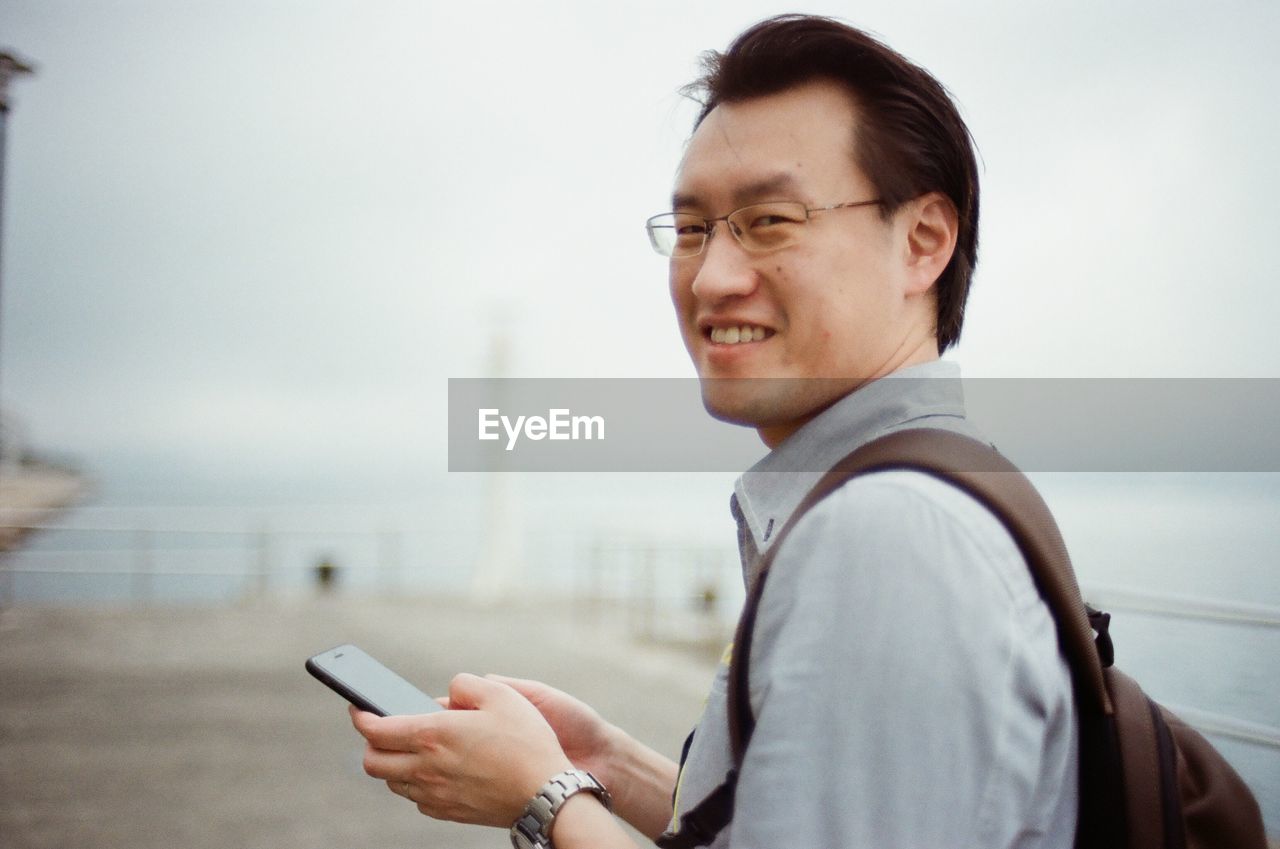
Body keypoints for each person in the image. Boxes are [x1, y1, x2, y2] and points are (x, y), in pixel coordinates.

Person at [350, 14, 1078, 848]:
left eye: (770, 220)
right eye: (692, 230)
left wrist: (546, 797)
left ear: (923, 241)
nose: (714, 277)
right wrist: (613, 766)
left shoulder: (889, 534)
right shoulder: (947, 483)